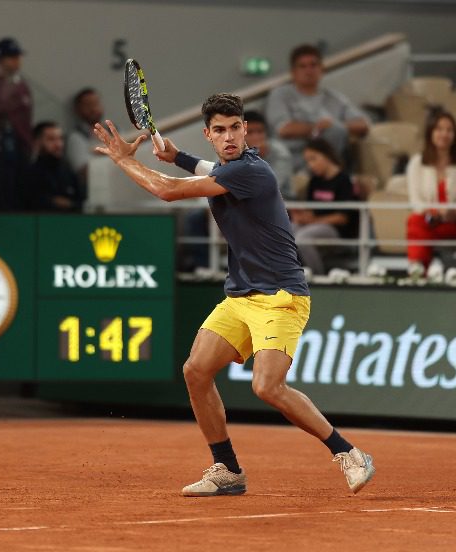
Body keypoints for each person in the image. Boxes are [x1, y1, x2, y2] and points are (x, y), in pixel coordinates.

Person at [92, 93, 375, 496]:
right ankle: (227, 469)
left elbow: (168, 191)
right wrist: (179, 156)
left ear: (245, 130)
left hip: (281, 296)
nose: (229, 136)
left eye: (235, 128)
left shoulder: (253, 172)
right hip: (240, 297)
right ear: (209, 134)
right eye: (219, 130)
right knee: (196, 371)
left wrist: (124, 159)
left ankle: (349, 453)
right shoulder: (232, 166)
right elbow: (211, 168)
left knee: (267, 387)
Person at [181, 110, 293, 271]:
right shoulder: (228, 153)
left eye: (260, 132)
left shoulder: (280, 155)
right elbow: (212, 174)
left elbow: (269, 187)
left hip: (276, 204)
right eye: (251, 132)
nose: (256, 137)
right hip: (236, 200)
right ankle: (204, 265)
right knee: (196, 216)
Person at [266, 43, 369, 172]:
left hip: (331, 156)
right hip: (292, 157)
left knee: (336, 131)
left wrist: (334, 126)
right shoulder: (280, 94)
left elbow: (363, 124)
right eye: (302, 66)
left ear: (322, 69)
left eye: (313, 65)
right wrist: (316, 128)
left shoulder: (334, 97)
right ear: (293, 72)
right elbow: (284, 129)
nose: (308, 71)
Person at [406, 111, 456, 270]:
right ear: (430, 132)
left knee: (415, 227)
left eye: (449, 130)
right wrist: (436, 211)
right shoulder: (417, 162)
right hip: (430, 221)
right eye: (439, 129)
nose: (444, 134)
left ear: (455, 134)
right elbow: (415, 202)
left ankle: (418, 271)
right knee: (415, 221)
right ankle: (421, 268)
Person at [291, 138, 359, 274]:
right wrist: (301, 216)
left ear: (326, 156)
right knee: (285, 232)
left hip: (337, 231)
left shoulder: (344, 181)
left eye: (313, 159)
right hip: (314, 225)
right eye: (307, 161)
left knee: (303, 238)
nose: (310, 165)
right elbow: (312, 210)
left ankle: (317, 277)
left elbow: (342, 218)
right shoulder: (315, 181)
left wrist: (313, 221)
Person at [0, 37, 33, 211]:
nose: (17, 61)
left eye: (17, 57)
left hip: (20, 146)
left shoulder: (21, 84)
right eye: (12, 57)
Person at [23, 121, 86, 212]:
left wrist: (69, 204)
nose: (59, 144)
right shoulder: (29, 174)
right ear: (37, 142)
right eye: (51, 139)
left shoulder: (69, 171)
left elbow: (81, 203)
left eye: (60, 139)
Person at [66, 87, 106, 185]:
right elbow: (85, 172)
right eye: (88, 105)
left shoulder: (114, 129)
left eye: (96, 104)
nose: (93, 109)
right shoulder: (76, 137)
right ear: (78, 109)